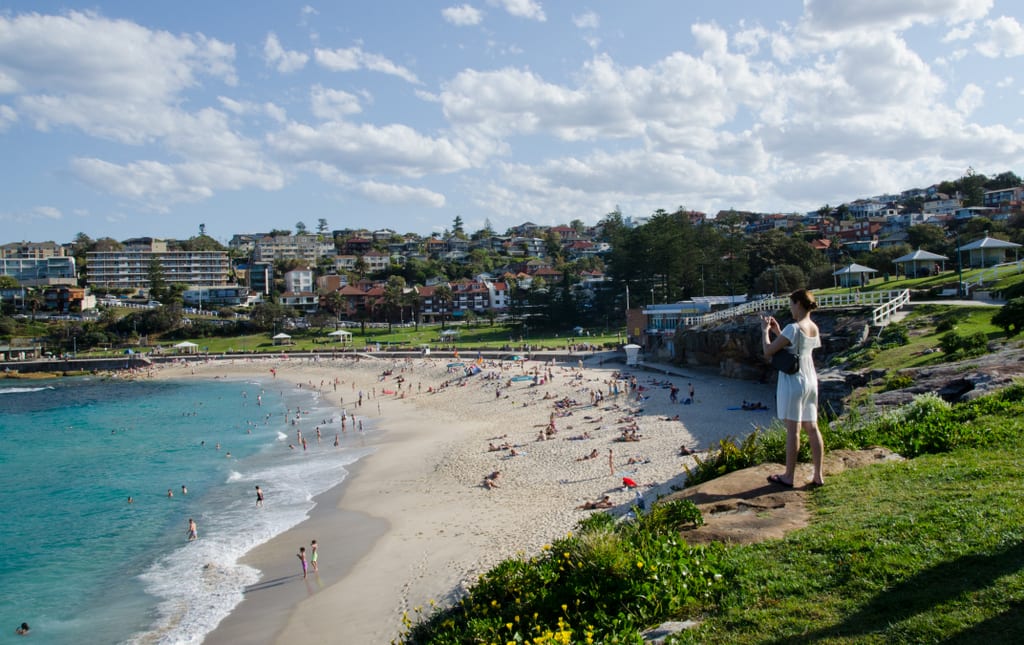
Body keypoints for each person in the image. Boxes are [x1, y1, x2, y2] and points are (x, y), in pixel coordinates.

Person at [762, 288, 825, 488]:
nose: (790, 308)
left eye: (791, 304)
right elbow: (796, 348)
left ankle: (789, 476)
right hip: (810, 379)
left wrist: (765, 332)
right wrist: (778, 332)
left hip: (793, 381)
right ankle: (818, 475)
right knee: (812, 428)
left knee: (793, 431)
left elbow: (768, 351)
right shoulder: (813, 327)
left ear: (798, 303)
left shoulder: (794, 327)